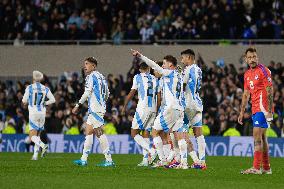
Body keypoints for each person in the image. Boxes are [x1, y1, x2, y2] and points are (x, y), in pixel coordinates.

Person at [131, 49, 188, 169]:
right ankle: (184, 162)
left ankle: (163, 160)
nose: (162, 66)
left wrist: (141, 55)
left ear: (170, 65)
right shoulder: (179, 76)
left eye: (164, 64)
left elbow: (153, 65)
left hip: (170, 107)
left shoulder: (170, 73)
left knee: (155, 132)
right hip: (179, 108)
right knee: (179, 135)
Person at [72, 57, 115, 167]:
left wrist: (78, 105)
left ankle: (109, 160)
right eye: (84, 64)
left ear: (93, 66)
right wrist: (102, 102)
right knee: (88, 132)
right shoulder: (101, 76)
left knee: (99, 133)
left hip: (95, 108)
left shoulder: (91, 76)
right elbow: (107, 93)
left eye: (87, 64)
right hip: (97, 107)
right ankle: (83, 159)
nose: (85, 66)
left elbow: (87, 93)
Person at [238, 47, 273, 174]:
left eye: (254, 57)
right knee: (263, 138)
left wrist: (269, 109)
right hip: (254, 108)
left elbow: (270, 90)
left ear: (257, 57)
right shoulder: (247, 74)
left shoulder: (264, 71)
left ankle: (256, 168)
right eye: (250, 57)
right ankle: (267, 168)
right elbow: (246, 94)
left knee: (257, 137)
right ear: (246, 59)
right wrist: (241, 111)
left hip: (263, 108)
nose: (252, 59)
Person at [122, 62, 158, 167]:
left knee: (134, 133)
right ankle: (145, 160)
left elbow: (132, 92)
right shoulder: (154, 78)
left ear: (141, 69)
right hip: (153, 108)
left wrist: (124, 106)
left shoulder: (138, 77)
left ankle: (152, 151)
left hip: (143, 108)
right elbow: (158, 95)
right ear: (148, 69)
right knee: (146, 133)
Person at [180, 49, 207, 169]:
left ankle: (183, 161)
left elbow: (182, 85)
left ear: (189, 58)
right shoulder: (198, 69)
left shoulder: (188, 69)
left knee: (181, 133)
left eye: (183, 58)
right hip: (197, 104)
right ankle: (202, 161)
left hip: (188, 104)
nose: (182, 60)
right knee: (199, 134)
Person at [22, 71, 55, 160]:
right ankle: (35, 156)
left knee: (32, 136)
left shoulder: (29, 88)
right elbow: (53, 100)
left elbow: (24, 101)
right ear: (40, 79)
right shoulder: (45, 88)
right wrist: (45, 102)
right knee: (38, 135)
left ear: (33, 78)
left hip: (33, 112)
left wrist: (28, 101)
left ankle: (43, 145)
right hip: (42, 113)